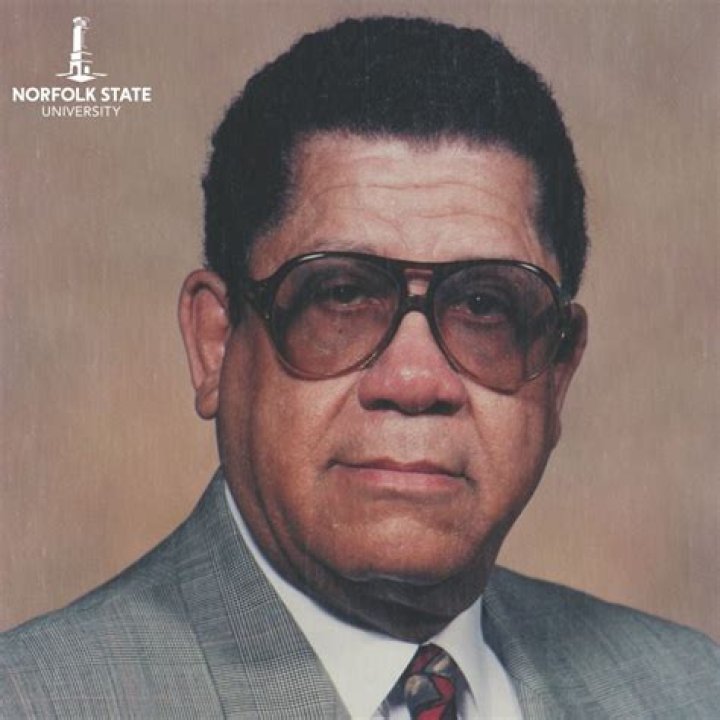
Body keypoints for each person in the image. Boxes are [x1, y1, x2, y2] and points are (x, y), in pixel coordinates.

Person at [2, 15, 718, 719]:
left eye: (484, 306)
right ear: (215, 344)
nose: (415, 382)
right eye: (340, 296)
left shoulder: (691, 688)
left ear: (557, 374)